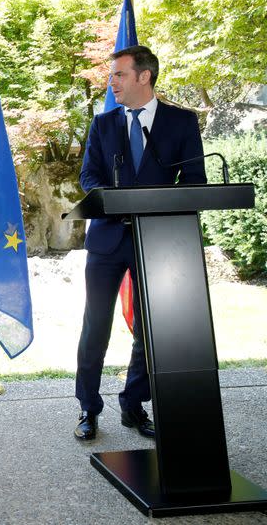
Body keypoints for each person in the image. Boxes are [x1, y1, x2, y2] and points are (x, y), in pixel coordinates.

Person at [74, 45, 207, 440]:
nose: (110, 82)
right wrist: (115, 203)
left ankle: (133, 404)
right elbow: (89, 178)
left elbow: (195, 182)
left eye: (118, 74)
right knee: (95, 325)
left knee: (151, 329)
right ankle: (88, 408)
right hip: (107, 240)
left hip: (160, 243)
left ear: (143, 76)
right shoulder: (103, 124)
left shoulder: (182, 122)